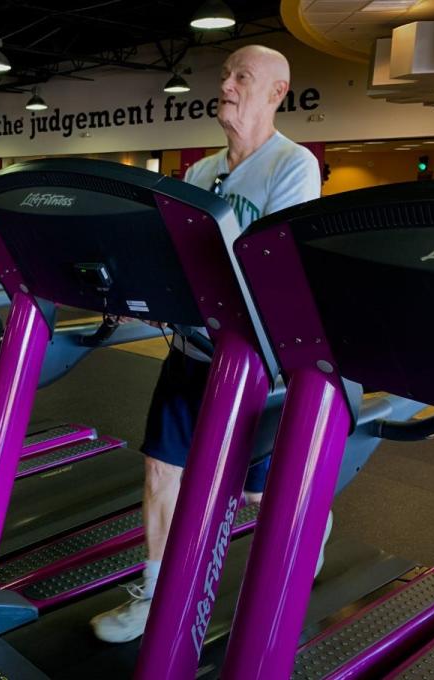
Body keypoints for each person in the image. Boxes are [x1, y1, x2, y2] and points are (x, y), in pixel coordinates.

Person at [90, 44, 325, 644]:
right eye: (224, 76)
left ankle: (312, 520)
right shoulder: (200, 172)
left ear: (276, 92)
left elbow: (274, 268)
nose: (226, 85)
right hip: (192, 351)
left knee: (253, 488)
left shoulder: (292, 165)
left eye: (241, 77)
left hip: (256, 364)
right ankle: (156, 591)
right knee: (161, 469)